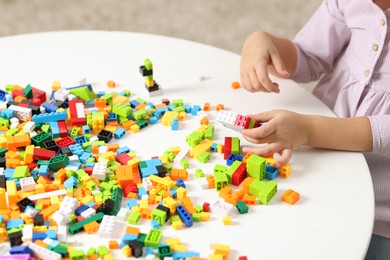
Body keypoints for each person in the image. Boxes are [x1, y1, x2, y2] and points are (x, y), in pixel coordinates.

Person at [239, 0, 390, 259]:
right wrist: (263, 43)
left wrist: (309, 129)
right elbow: (309, 55)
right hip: (313, 169)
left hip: (376, 212)